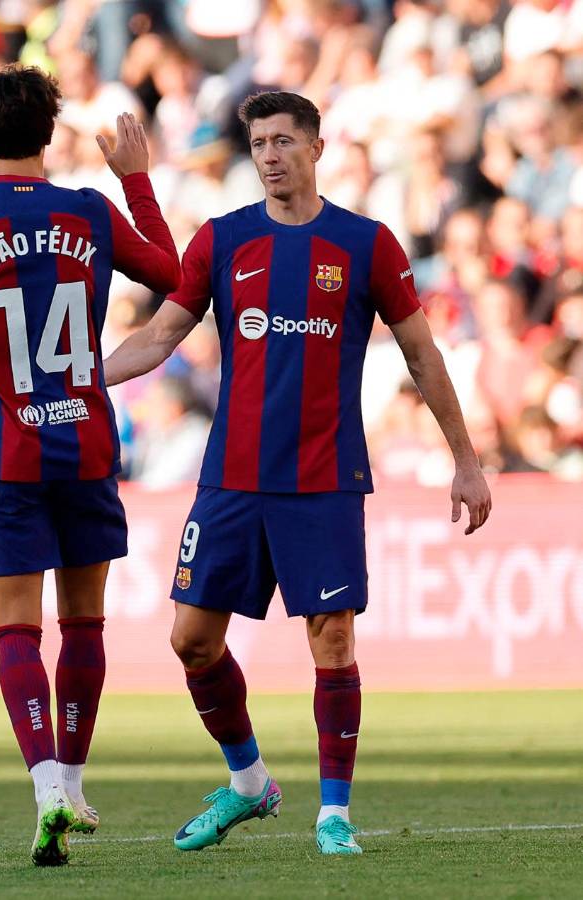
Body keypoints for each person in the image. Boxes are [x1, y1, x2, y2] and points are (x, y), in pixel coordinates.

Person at [103, 90, 492, 856]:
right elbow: (157, 339)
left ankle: (334, 814)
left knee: (334, 641)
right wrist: (79, 380)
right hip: (233, 480)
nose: (271, 156)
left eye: (285, 141)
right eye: (259, 144)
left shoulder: (365, 244)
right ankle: (250, 784)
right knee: (192, 643)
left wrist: (467, 460)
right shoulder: (221, 241)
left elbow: (422, 354)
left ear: (318, 147)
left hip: (323, 477)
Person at [0, 64, 180, 866]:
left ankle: (47, 784)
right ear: (50, 133)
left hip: (3, 454)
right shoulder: (87, 213)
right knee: (85, 623)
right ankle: (76, 783)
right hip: (82, 441)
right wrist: (137, 181)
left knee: (16, 629)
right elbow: (175, 277)